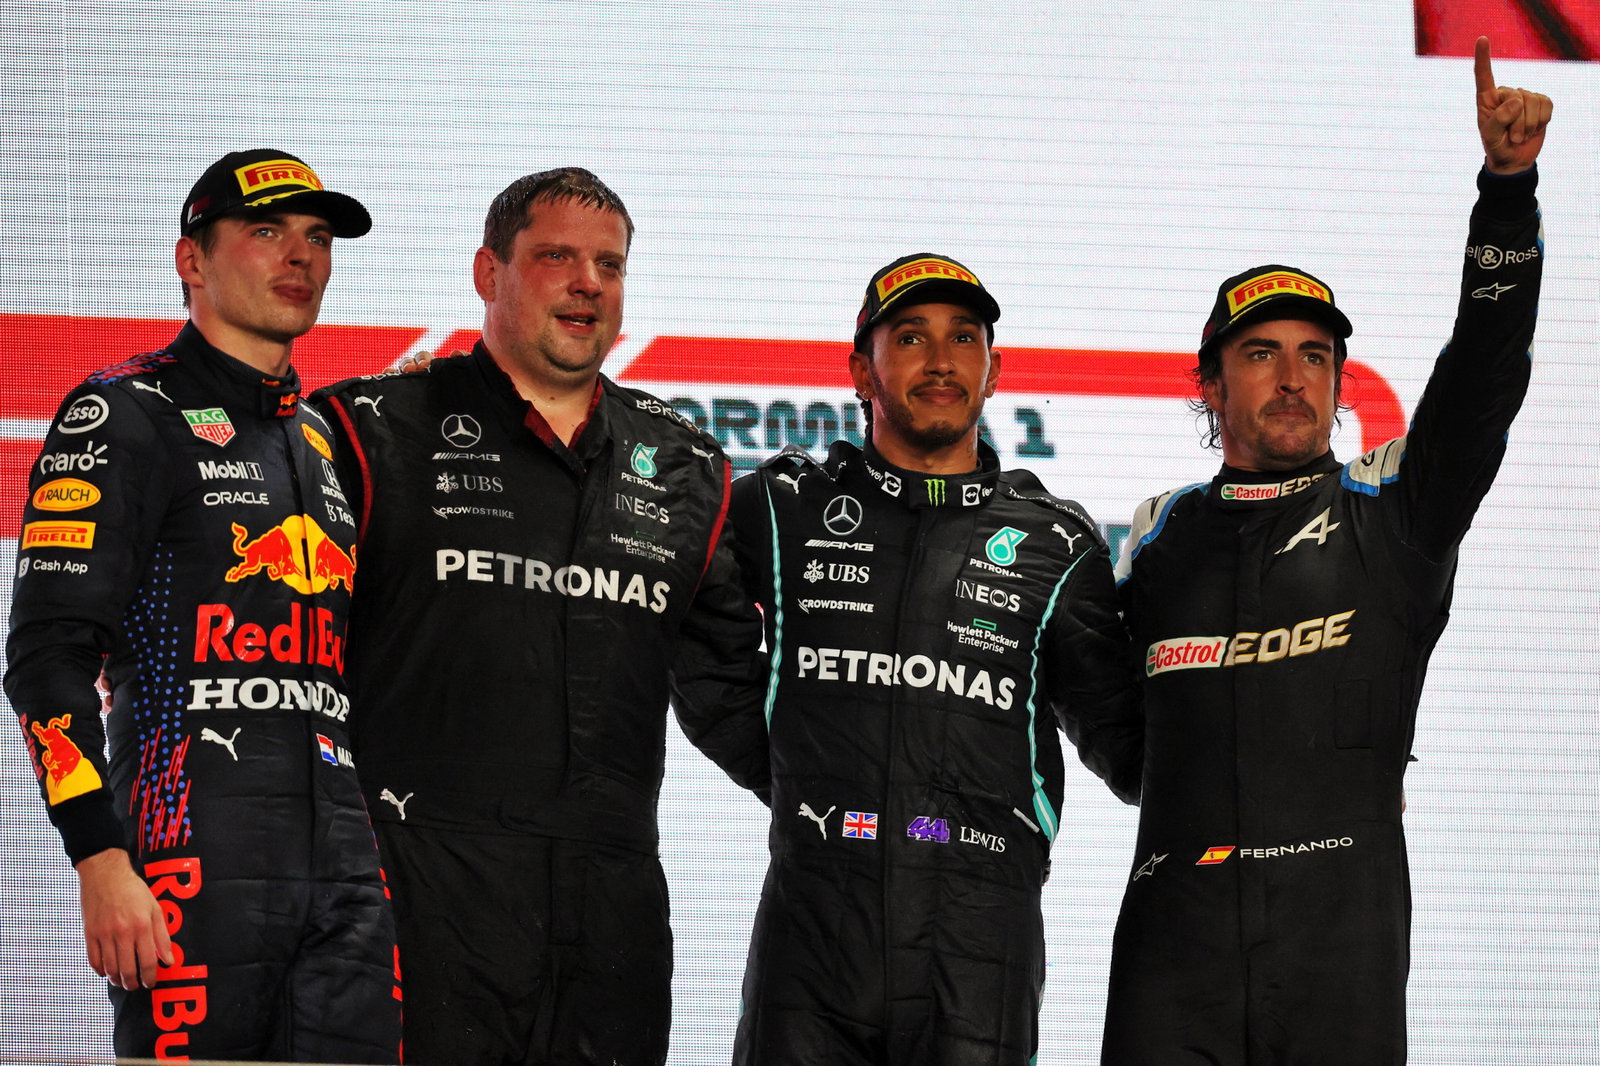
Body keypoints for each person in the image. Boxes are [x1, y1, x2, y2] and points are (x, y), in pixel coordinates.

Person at [1101, 39, 1551, 1065]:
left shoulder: (1394, 509)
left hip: (1338, 942)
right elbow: (1110, 726)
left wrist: (1506, 198)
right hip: (1173, 948)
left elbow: (1483, 376)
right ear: (1211, 384)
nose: (1293, 377)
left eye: (1316, 356)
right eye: (1261, 353)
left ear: (1342, 381)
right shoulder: (1155, 538)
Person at [312, 167, 768, 1066]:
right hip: (412, 889)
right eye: (557, 257)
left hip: (611, 913)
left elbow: (726, 691)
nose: (588, 283)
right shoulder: (369, 429)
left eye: (610, 264)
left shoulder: (685, 465)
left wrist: (860, 800)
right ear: (488, 272)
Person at [4, 149, 400, 1062]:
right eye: (266, 231)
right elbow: (47, 658)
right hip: (190, 857)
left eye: (318, 238)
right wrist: (98, 855)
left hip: (345, 874)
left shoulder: (324, 439)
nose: (300, 257)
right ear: (192, 260)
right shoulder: (122, 413)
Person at [727, 253, 1141, 1065]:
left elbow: (1133, 751)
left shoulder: (1057, 542)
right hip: (813, 924)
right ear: (862, 370)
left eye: (964, 338)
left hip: (981, 936)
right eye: (911, 337)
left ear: (994, 371)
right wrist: (789, 772)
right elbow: (676, 635)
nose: (942, 360)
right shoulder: (781, 506)